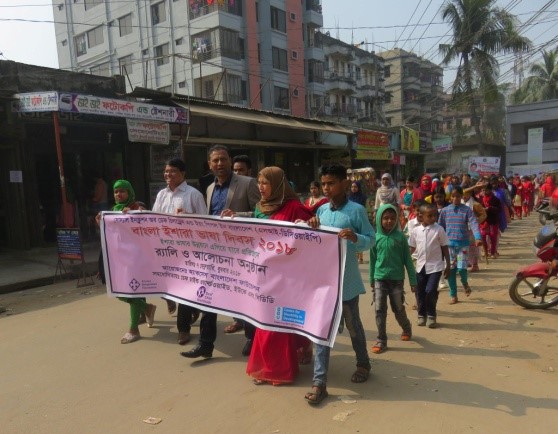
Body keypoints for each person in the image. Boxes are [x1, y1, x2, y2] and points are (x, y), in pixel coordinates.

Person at [304, 163, 374, 405]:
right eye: (323, 184)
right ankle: (319, 382)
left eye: (331, 183)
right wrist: (312, 224)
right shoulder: (322, 211)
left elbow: (371, 240)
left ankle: (363, 363)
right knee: (322, 330)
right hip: (324, 284)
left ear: (344, 183)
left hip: (347, 282)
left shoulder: (356, 211)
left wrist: (356, 238)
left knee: (354, 326)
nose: (326, 188)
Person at [181, 145, 260, 359]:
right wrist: (187, 217)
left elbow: (261, 214)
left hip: (242, 254)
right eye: (215, 160)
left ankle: (253, 339)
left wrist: (238, 215)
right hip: (214, 253)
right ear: (209, 164)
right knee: (208, 297)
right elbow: (209, 220)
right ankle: (205, 344)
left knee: (245, 298)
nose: (219, 164)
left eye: (223, 159)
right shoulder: (209, 189)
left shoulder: (247, 183)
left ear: (229, 160)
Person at [246, 166, 314, 386]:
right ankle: (267, 365)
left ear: (277, 184)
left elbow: (312, 231)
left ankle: (278, 370)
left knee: (278, 321)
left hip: (286, 276)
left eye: (265, 183)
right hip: (263, 272)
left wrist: (309, 226)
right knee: (264, 319)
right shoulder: (259, 208)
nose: (261, 187)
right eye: (259, 182)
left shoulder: (294, 207)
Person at [152, 158, 207, 345]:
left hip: (188, 252)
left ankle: (183, 329)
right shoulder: (161, 194)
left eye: (173, 171)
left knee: (182, 289)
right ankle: (193, 308)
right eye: (166, 171)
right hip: (166, 250)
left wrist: (188, 218)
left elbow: (205, 224)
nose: (168, 175)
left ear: (183, 174)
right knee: (164, 284)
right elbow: (153, 219)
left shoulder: (194, 195)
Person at [96, 179, 156, 344]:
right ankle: (146, 308)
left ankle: (133, 329)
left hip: (135, 259)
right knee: (119, 291)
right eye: (116, 191)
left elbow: (145, 219)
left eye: (122, 191)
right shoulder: (114, 210)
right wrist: (101, 222)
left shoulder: (137, 207)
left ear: (130, 193)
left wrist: (135, 214)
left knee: (132, 290)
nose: (119, 194)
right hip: (119, 258)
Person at [369, 204, 415, 354]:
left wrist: (413, 281)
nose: (389, 221)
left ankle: (406, 327)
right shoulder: (375, 238)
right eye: (386, 218)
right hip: (379, 278)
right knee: (379, 309)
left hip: (396, 280)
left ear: (397, 220)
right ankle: (381, 339)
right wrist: (371, 279)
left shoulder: (400, 237)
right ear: (379, 219)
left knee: (398, 308)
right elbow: (372, 260)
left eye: (392, 218)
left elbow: (408, 260)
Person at [408, 203, 451, 329]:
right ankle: (422, 315)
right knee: (419, 291)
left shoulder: (439, 230)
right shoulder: (416, 231)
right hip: (420, 266)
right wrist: (403, 261)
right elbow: (412, 248)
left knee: (430, 290)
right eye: (430, 216)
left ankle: (431, 315)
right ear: (421, 216)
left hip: (435, 267)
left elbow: (444, 247)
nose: (433, 218)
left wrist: (448, 265)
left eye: (435, 215)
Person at [438, 186, 483, 304]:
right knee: (451, 270)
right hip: (449, 246)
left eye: (458, 196)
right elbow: (440, 227)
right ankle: (453, 295)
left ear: (461, 196)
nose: (455, 198)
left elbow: (473, 223)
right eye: (453, 196)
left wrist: (478, 237)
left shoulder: (467, 210)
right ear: (450, 197)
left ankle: (464, 282)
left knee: (462, 268)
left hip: (463, 244)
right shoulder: (445, 211)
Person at [479, 183, 502, 260]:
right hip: (484, 221)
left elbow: (499, 210)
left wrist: (489, 208)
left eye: (486, 190)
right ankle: (485, 252)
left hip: (493, 221)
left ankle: (492, 252)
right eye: (483, 190)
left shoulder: (495, 199)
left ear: (490, 190)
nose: (485, 191)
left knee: (493, 237)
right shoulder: (481, 199)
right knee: (483, 237)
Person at [349, 181, 368, 264]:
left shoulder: (363, 197)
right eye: (352, 187)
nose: (353, 188)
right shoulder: (349, 198)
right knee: (353, 237)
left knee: (360, 237)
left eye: (355, 187)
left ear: (358, 188)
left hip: (360, 218)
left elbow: (365, 208)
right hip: (352, 219)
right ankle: (355, 256)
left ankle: (361, 257)